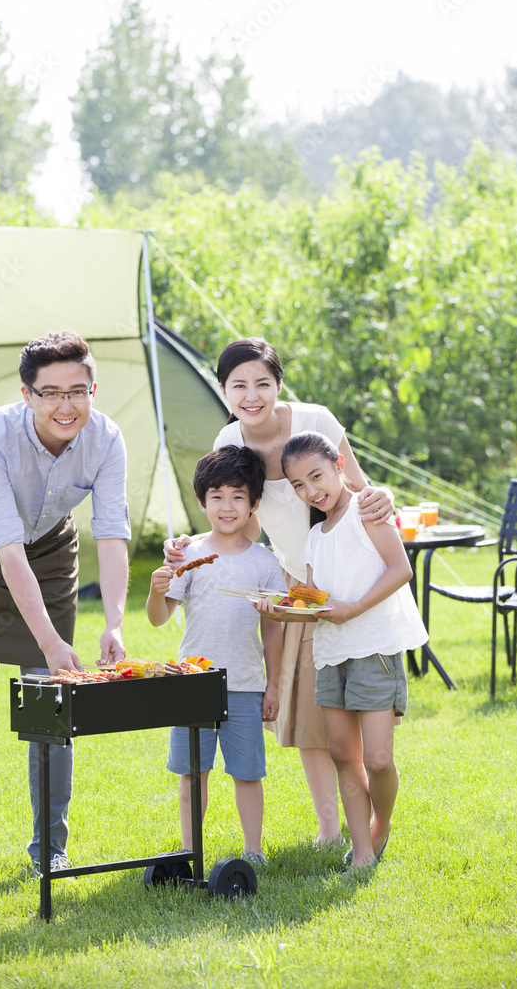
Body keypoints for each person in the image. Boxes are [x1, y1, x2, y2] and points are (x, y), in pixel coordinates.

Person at [164, 338, 394, 846]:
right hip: (295, 583)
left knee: (344, 709)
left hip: (345, 573)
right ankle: (331, 829)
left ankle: (372, 822)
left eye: (262, 383)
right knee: (306, 710)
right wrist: (192, 546)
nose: (252, 395)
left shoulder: (317, 420)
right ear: (223, 390)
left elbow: (357, 485)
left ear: (279, 385)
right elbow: (233, 515)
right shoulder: (231, 438)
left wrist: (383, 497)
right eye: (238, 386)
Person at [0, 330, 130, 875]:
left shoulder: (107, 439)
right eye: (50, 393)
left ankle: (49, 850)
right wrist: (49, 641)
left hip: (51, 557)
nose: (66, 405)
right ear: (26, 394)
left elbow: (111, 535)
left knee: (50, 709)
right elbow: (8, 550)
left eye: (78, 391)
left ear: (93, 388)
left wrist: (114, 623)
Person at [259, 431, 427, 866]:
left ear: (338, 466)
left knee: (378, 757)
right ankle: (362, 853)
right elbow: (315, 599)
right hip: (331, 653)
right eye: (299, 485)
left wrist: (353, 608)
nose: (311, 491)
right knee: (341, 754)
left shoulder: (366, 510)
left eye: (316, 476)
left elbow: (400, 570)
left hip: (374, 648)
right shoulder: (314, 537)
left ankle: (381, 825)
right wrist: (282, 609)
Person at [147, 445, 285, 866]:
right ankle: (190, 850)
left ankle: (254, 850)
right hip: (192, 683)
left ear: (254, 503)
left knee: (248, 772)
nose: (227, 506)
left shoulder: (265, 563)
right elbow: (159, 618)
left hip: (245, 683)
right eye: (218, 495)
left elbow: (274, 628)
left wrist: (273, 685)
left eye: (238, 496)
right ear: (202, 501)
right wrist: (156, 590)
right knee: (192, 773)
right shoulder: (186, 555)